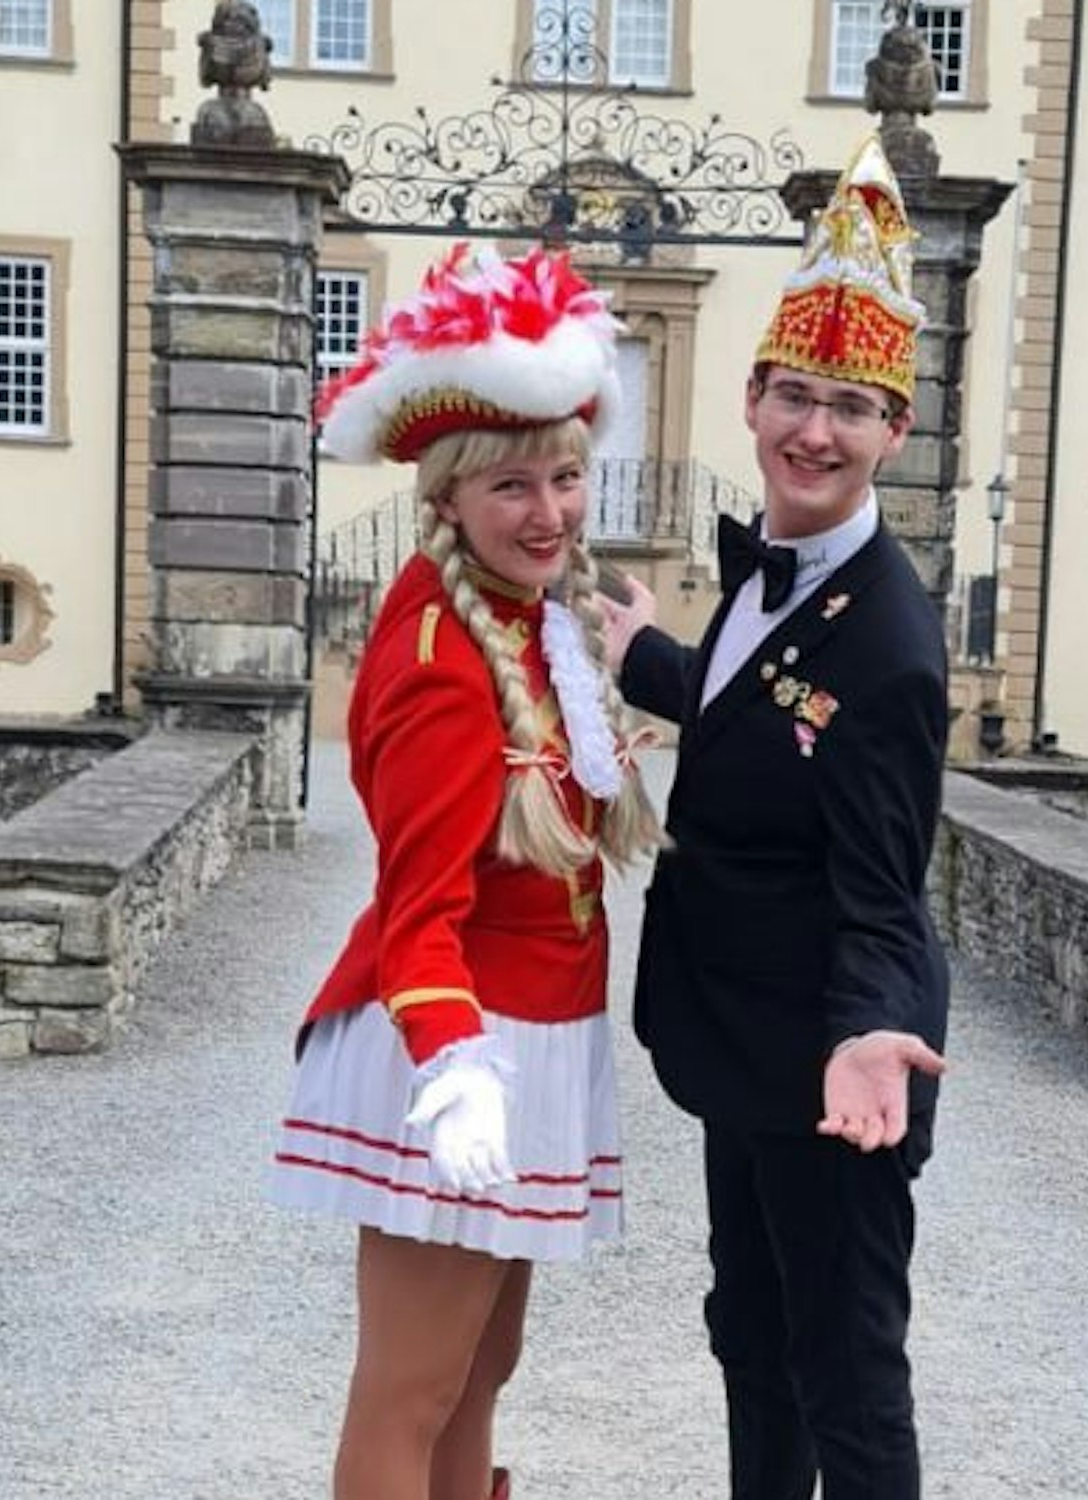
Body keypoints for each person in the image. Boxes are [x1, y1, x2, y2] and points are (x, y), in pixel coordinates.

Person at [267, 243, 663, 1500]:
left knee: (483, 1372)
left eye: (562, 478)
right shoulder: (442, 655)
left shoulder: (531, 621)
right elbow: (418, 900)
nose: (547, 511)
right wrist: (453, 1072)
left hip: (533, 1038)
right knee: (410, 1389)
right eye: (511, 487)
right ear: (444, 498)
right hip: (461, 1052)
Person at [602, 137, 951, 1500]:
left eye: (851, 408)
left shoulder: (897, 647)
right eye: (797, 396)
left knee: (847, 1367)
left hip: (832, 1057)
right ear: (751, 398)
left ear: (894, 431)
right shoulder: (780, 570)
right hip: (746, 1033)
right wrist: (656, 663)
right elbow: (767, 715)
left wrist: (870, 1030)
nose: (817, 430)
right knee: (749, 1329)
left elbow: (883, 877)